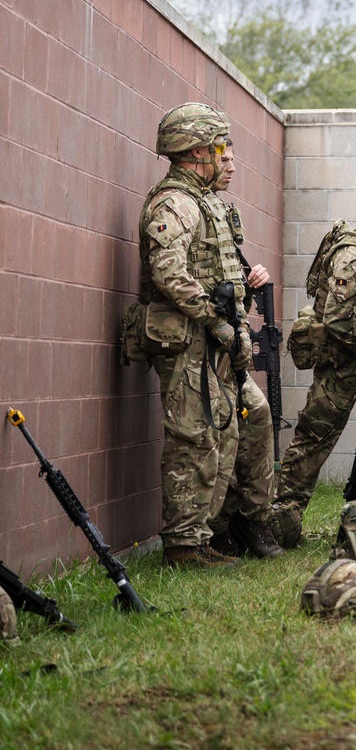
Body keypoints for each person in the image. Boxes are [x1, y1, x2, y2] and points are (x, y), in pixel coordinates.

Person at [139, 103, 261, 568]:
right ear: (196, 151)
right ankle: (183, 546)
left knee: (219, 432)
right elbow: (168, 271)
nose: (226, 157)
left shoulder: (203, 201)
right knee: (191, 438)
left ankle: (201, 537)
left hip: (207, 339)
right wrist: (217, 320)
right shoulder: (177, 202)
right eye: (219, 147)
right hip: (187, 338)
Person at [271, 219, 356, 548]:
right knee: (314, 438)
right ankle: (281, 522)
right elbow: (336, 319)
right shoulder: (353, 256)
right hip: (342, 362)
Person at [205, 140, 284, 559]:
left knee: (258, 415)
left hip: (227, 347)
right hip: (202, 344)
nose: (232, 167)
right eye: (226, 159)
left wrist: (250, 283)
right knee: (221, 431)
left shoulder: (218, 211)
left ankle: (252, 518)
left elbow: (228, 291)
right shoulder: (181, 207)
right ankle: (216, 530)